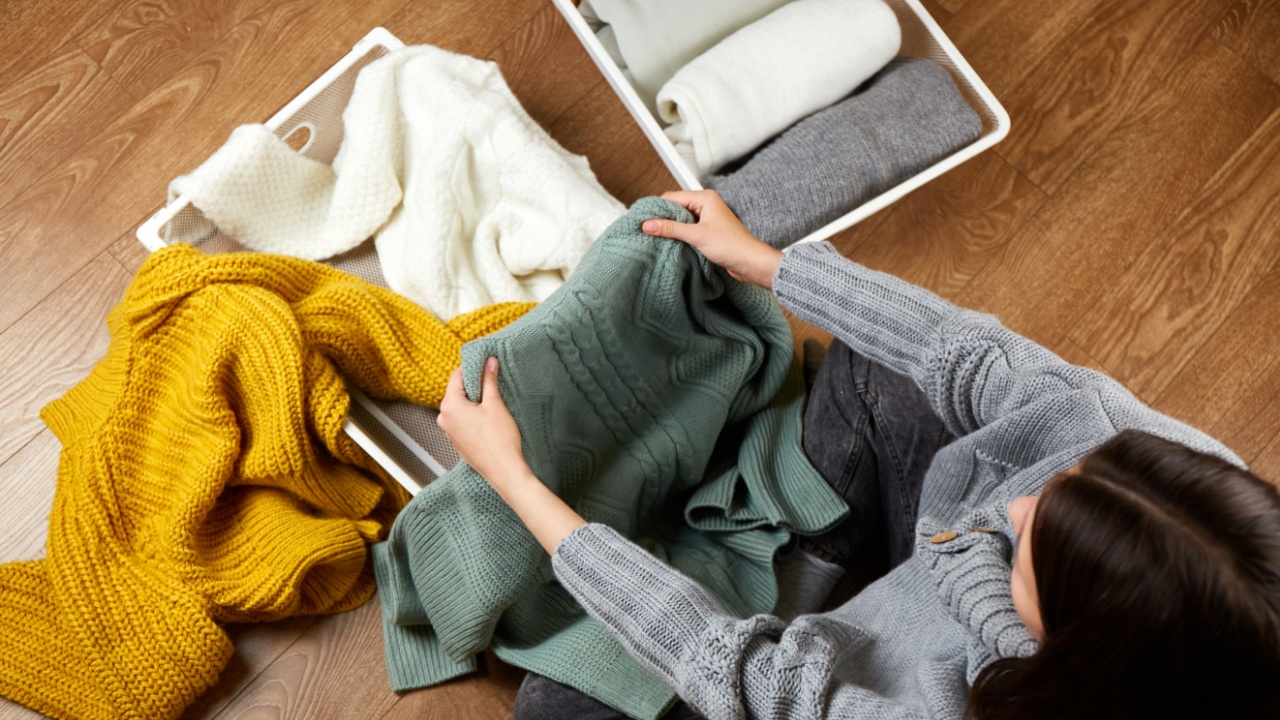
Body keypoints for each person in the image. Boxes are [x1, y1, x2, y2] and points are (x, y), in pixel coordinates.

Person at [435, 190, 1280, 720]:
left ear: (1072, 647)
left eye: (1031, 549)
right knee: (886, 367)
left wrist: (515, 478)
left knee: (560, 705)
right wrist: (768, 264)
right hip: (914, 600)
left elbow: (734, 674)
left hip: (833, 689)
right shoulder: (1171, 484)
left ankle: (789, 584)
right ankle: (812, 558)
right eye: (1061, 482)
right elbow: (975, 358)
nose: (1015, 507)